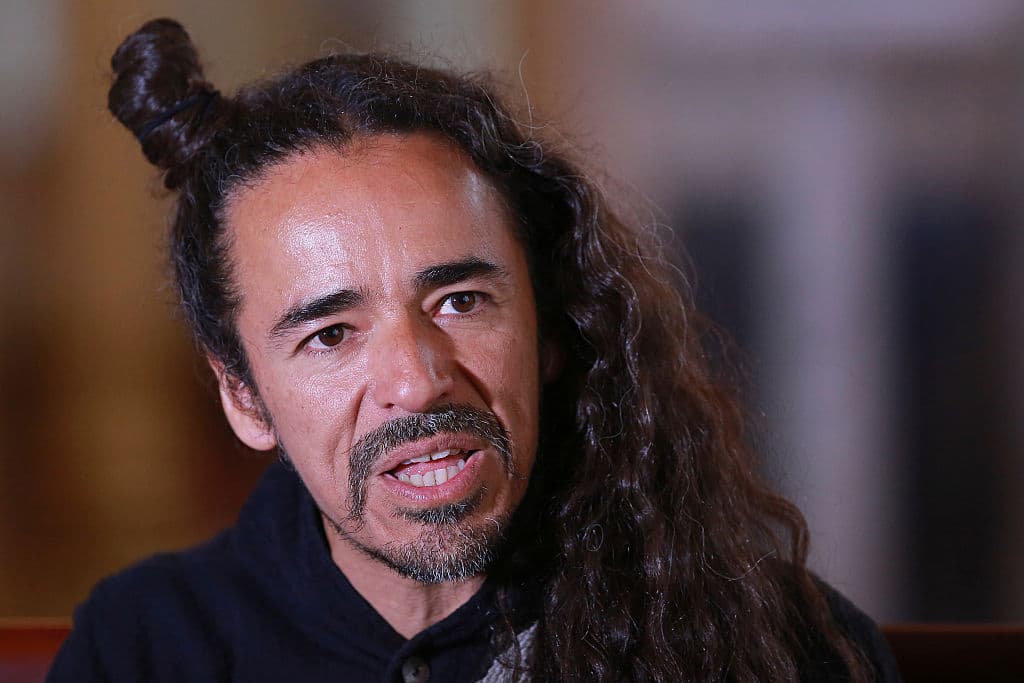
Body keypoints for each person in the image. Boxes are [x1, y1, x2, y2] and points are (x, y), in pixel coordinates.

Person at [49, 18, 901, 683]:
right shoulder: (145, 646)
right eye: (331, 334)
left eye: (460, 300)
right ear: (243, 395)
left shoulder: (771, 641)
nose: (417, 382)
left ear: (549, 328)